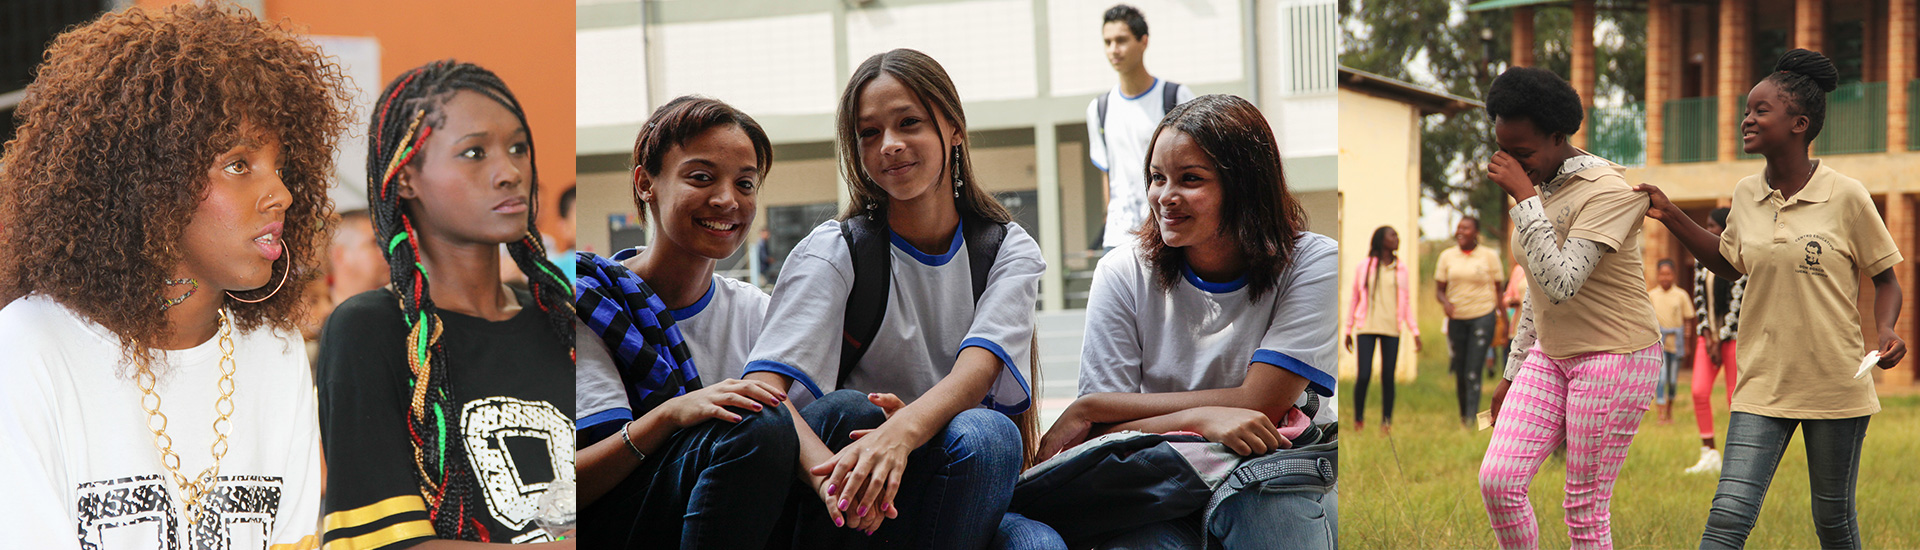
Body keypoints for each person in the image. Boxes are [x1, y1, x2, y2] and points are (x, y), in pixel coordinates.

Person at [0, 4, 349, 547]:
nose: (279, 193)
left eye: (281, 166)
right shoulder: (30, 346)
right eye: (238, 164)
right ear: (148, 182)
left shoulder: (275, 352)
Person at [740, 48, 1043, 547]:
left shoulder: (1006, 249)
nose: (890, 145)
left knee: (997, 450)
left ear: (954, 129)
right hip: (850, 485)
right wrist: (831, 479)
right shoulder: (835, 249)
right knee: (852, 409)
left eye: (909, 123)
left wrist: (900, 435)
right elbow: (763, 389)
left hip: (955, 483)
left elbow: (975, 374)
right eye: (869, 133)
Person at [1036, 94, 1339, 549]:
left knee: (1265, 509)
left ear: (1245, 187)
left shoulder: (1313, 262)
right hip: (1162, 484)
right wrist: (1200, 417)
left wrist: (1095, 407)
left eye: (1190, 179)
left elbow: (1260, 405)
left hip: (1271, 475)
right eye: (1157, 177)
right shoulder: (1123, 271)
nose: (1165, 197)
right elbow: (1102, 437)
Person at [1637, 49, 1905, 548]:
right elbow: (1728, 261)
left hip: (1836, 385)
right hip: (1761, 383)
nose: (1747, 119)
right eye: (1747, 109)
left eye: (1761, 110)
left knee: (1833, 521)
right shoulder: (1745, 193)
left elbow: (1886, 279)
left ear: (1799, 124)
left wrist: (1886, 329)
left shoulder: (1846, 195)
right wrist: (1670, 213)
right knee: (1727, 519)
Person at [316, 60, 577, 548]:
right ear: (406, 178)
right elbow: (382, 544)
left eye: (518, 148)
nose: (510, 173)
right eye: (474, 152)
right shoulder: (370, 330)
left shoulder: (561, 322)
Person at [571, 95, 796, 549]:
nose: (727, 200)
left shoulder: (758, 312)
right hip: (619, 524)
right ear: (646, 183)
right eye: (701, 178)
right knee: (755, 425)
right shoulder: (590, 304)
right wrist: (670, 415)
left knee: (851, 415)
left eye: (745, 184)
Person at [1475, 66, 1662, 550]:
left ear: (1558, 137)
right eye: (1504, 151)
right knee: (1498, 481)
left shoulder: (1610, 192)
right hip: (1551, 354)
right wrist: (1512, 374)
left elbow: (1561, 283)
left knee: (1584, 508)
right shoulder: (1542, 188)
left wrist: (1523, 197)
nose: (1512, 165)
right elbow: (1537, 295)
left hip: (1615, 356)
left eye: (1522, 154)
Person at [1086, 4, 1195, 250]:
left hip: (1167, 232)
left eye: (1121, 40)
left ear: (1143, 41)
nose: (1113, 49)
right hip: (1118, 239)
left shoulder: (1175, 97)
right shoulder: (1099, 108)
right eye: (1107, 42)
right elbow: (1107, 173)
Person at [1683, 207, 1744, 475]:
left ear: (1725, 228)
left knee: (1734, 398)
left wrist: (1720, 339)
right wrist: (1708, 335)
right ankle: (1709, 453)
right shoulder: (1702, 259)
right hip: (1707, 338)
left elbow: (1737, 304)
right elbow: (1699, 298)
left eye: (1712, 226)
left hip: (1733, 338)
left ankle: (1736, 457)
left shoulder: (1741, 257)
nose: (1707, 230)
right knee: (1698, 391)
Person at [1345, 225, 1419, 433]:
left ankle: (1386, 422)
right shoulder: (1364, 266)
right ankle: (1359, 420)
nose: (1397, 238)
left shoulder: (1400, 268)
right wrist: (1348, 329)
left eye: (1397, 235)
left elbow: (1406, 302)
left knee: (1388, 377)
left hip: (1391, 328)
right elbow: (1354, 298)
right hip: (1366, 327)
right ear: (1381, 240)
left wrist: (1415, 331)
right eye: (1392, 235)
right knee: (1364, 375)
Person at [1435, 216, 1505, 427]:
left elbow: (1498, 289)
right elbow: (1439, 290)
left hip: (1483, 316)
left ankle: (1471, 420)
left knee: (1473, 370)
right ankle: (1464, 415)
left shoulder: (1489, 256)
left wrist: (1504, 319)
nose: (1460, 231)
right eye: (1459, 227)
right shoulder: (1447, 256)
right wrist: (1445, 303)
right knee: (1460, 369)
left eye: (1465, 228)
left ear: (1476, 232)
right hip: (1457, 318)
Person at [1647, 259, 1695, 424]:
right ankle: (1661, 414)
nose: (1665, 277)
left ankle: (1669, 410)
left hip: (1676, 344)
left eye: (1668, 274)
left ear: (1673, 275)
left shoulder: (1681, 295)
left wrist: (1687, 344)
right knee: (1661, 378)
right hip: (1659, 344)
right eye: (1662, 274)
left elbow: (1688, 320)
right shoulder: (1652, 295)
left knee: (1673, 380)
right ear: (1657, 275)